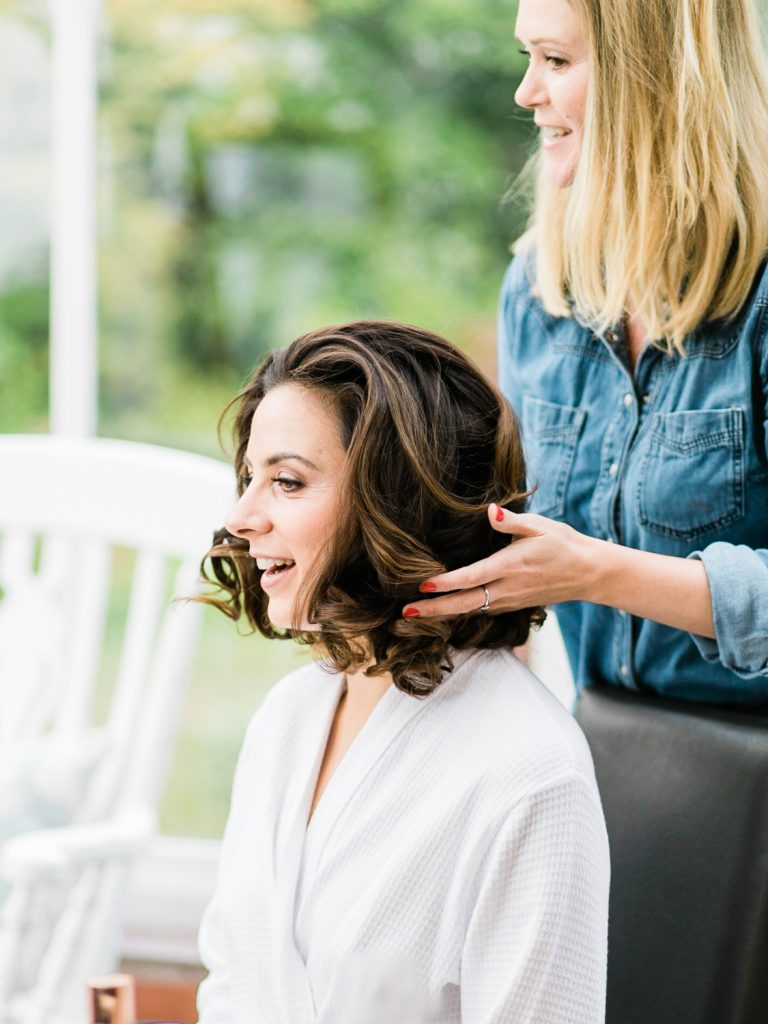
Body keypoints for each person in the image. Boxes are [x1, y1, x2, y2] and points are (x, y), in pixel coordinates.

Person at [195, 321, 609, 1024]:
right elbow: (234, 983)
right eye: (248, 478)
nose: (241, 517)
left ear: (396, 499)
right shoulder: (288, 718)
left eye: (287, 482)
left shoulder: (530, 774)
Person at [402, 0, 768, 704]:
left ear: (653, 80)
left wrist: (595, 572)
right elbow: (504, 554)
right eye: (527, 57)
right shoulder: (541, 289)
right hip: (614, 762)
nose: (526, 92)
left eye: (557, 60)